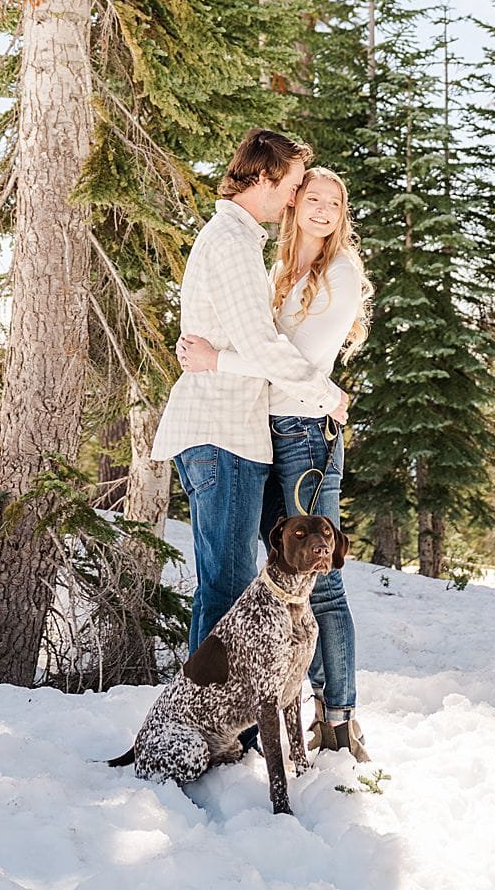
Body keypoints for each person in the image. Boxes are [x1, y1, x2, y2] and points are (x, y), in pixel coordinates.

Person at [179, 165, 371, 760]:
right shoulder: (282, 270)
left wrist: (217, 361)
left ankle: (337, 716)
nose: (321, 209)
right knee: (280, 574)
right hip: (271, 428)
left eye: (333, 203)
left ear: (342, 216)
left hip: (307, 433)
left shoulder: (340, 273)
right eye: (311, 198)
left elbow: (294, 359)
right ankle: (263, 706)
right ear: (292, 206)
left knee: (322, 575)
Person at [149, 129, 348, 658]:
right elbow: (262, 344)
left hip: (228, 431)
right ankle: (203, 726)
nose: (296, 197)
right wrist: (323, 393)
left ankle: (217, 724)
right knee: (229, 591)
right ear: (265, 177)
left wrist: (213, 357)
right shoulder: (233, 243)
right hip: (224, 434)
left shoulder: (232, 239)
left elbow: (231, 338)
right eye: (294, 184)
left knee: (230, 586)